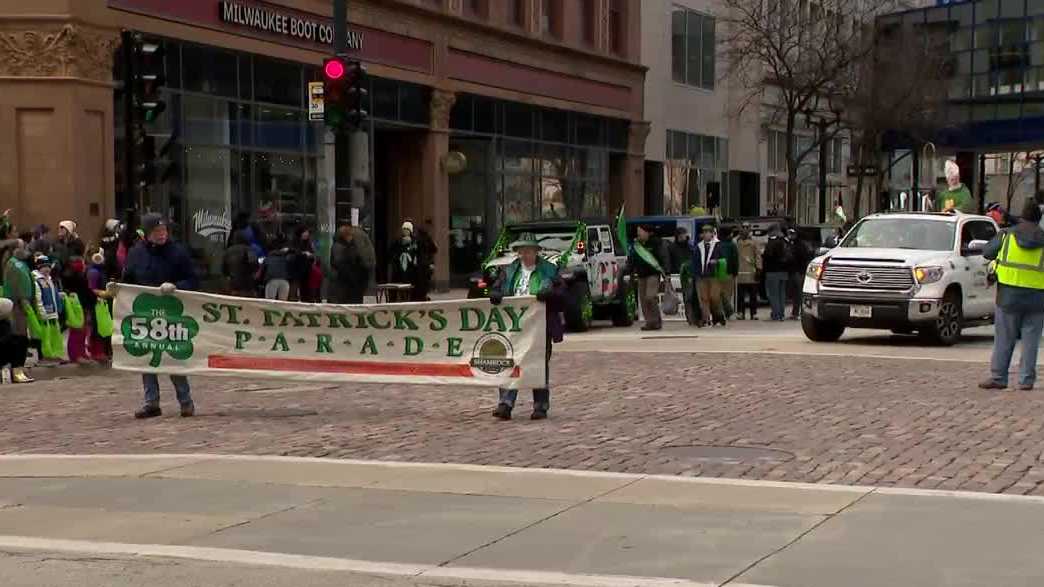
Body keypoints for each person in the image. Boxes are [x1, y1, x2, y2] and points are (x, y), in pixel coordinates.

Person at [122, 213, 199, 419]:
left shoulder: (178, 253)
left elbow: (193, 278)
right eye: (157, 232)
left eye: (164, 231)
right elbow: (127, 278)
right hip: (144, 311)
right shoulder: (136, 253)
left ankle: (186, 402)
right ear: (147, 234)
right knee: (147, 357)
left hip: (173, 311)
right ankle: (152, 402)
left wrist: (176, 286)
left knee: (174, 355)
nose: (162, 235)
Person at [489, 236, 566, 421]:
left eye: (529, 250)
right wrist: (496, 292)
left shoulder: (549, 270)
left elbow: (563, 294)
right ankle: (505, 404)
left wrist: (551, 293)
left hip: (540, 325)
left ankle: (540, 406)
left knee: (538, 363)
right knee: (509, 362)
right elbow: (497, 286)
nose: (525, 254)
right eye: (522, 251)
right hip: (514, 326)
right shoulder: (509, 270)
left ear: (536, 251)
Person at [980, 201, 1044, 391]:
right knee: (1031, 341)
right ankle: (1026, 380)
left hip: (1008, 295)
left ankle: (999, 377)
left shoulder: (1007, 235)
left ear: (1022, 216)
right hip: (1037, 298)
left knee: (1004, 338)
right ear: (1039, 219)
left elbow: (987, 252)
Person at [1, 238, 34, 383]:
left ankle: (19, 368)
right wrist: (23, 300)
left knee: (23, 338)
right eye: (22, 247)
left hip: (24, 304)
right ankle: (16, 369)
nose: (25, 250)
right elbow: (15, 286)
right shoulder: (12, 265)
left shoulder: (21, 264)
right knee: (18, 338)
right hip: (17, 306)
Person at [627, 224, 669, 331]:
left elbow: (663, 257)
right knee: (643, 300)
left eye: (640, 232)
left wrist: (666, 272)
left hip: (653, 274)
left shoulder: (656, 242)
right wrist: (629, 271)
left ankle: (656, 320)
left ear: (646, 232)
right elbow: (632, 260)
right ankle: (649, 322)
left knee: (650, 297)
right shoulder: (637, 245)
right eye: (638, 233)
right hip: (641, 275)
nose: (638, 235)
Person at [328, 225, 371, 304]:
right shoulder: (339, 247)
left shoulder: (349, 246)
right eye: (350, 235)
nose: (352, 237)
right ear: (345, 236)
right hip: (342, 285)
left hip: (348, 285)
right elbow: (341, 265)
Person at [693, 224, 725, 327]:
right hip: (702, 276)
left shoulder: (718, 245)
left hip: (714, 275)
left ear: (712, 233)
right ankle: (706, 319)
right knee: (704, 298)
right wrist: (696, 274)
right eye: (704, 232)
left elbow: (724, 258)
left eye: (708, 232)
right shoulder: (699, 246)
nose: (706, 234)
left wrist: (717, 261)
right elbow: (695, 261)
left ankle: (719, 316)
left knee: (714, 297)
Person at [669, 227, 699, 326]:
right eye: (682, 234)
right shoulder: (672, 247)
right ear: (677, 235)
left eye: (685, 234)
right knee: (687, 297)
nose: (684, 236)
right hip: (679, 275)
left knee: (693, 296)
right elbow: (670, 261)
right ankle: (690, 317)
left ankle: (695, 317)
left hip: (691, 273)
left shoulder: (690, 246)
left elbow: (695, 257)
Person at [0, 297, 31, 383]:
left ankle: (18, 371)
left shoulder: (5, 323)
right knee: (16, 340)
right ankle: (16, 371)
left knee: (21, 340)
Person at [389, 222, 423, 300]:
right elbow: (392, 253)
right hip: (399, 269)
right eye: (404, 229)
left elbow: (418, 253)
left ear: (410, 231)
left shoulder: (415, 242)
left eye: (407, 229)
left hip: (410, 269)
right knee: (398, 285)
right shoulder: (397, 241)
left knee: (409, 287)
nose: (405, 231)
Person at [762, 225, 790, 321]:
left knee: (773, 294)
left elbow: (767, 256)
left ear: (772, 232)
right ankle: (781, 313)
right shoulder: (785, 242)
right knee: (781, 294)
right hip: (784, 271)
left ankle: (776, 314)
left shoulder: (772, 243)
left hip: (772, 271)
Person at [736, 223, 762, 320]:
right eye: (743, 227)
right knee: (740, 296)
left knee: (753, 295)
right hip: (740, 272)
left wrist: (759, 269)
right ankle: (740, 312)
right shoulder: (736, 242)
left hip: (751, 272)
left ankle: (753, 313)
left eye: (747, 227)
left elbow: (758, 256)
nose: (745, 229)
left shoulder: (754, 242)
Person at [222, 230, 259, 297]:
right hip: (247, 280)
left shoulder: (229, 250)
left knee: (234, 299)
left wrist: (227, 275)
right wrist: (254, 272)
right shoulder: (248, 249)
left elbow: (224, 265)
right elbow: (253, 262)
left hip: (233, 279)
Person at [260, 234, 294, 301]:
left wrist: (262, 282)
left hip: (272, 280)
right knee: (282, 304)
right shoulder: (286, 258)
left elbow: (262, 271)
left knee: (270, 302)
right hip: (285, 281)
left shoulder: (268, 258)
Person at [291, 225, 319, 302]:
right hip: (297, 269)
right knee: (296, 287)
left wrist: (311, 256)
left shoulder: (308, 243)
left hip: (307, 270)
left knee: (306, 289)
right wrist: (304, 254)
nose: (307, 234)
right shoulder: (295, 243)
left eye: (307, 232)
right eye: (305, 232)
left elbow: (313, 254)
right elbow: (293, 253)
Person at [785, 228, 809, 320]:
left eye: (792, 234)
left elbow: (801, 257)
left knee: (798, 294)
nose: (790, 235)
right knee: (796, 294)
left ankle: (798, 312)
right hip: (794, 272)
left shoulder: (799, 246)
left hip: (798, 272)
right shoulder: (792, 244)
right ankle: (795, 312)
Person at [718, 226, 739, 320]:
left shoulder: (716, 244)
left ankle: (721, 312)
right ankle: (729, 313)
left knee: (719, 294)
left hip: (717, 272)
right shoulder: (732, 245)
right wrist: (735, 272)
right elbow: (735, 260)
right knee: (728, 294)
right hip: (729, 272)